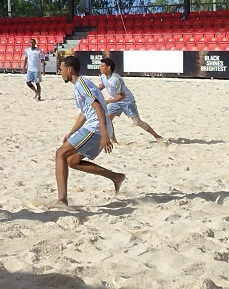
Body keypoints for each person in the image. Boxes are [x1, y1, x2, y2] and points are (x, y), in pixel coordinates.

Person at [55, 55, 125, 206]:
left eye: (61, 69)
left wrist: (105, 135)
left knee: (60, 154)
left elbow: (98, 107)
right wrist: (70, 132)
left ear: (69, 70)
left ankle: (62, 200)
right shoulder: (78, 85)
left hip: (97, 129)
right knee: (72, 161)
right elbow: (85, 113)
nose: (59, 72)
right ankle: (116, 177)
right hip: (95, 127)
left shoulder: (81, 84)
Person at [98, 57, 163, 143]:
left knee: (137, 122)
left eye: (102, 66)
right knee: (108, 120)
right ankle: (114, 142)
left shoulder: (116, 79)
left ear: (108, 68)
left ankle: (157, 137)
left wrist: (108, 101)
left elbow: (122, 96)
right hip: (116, 101)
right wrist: (95, 91)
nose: (100, 68)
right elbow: (103, 85)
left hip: (127, 101)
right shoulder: (103, 76)